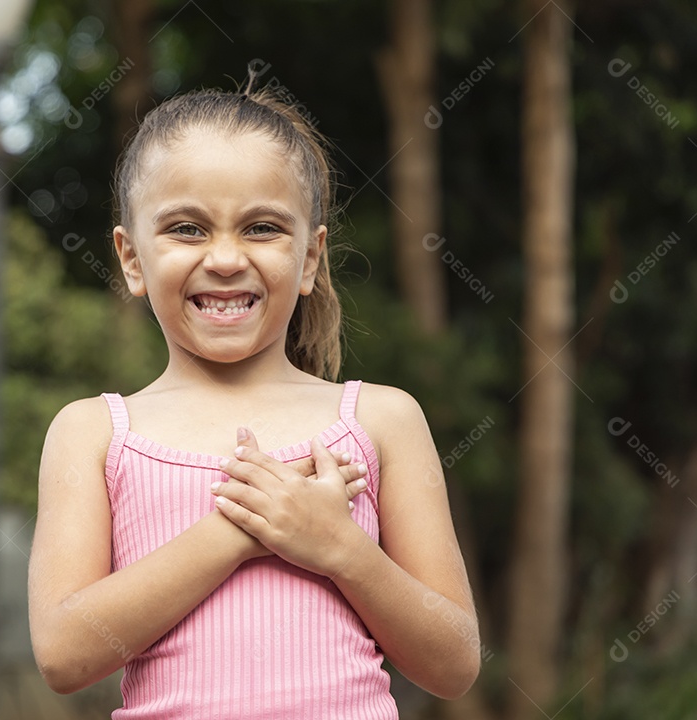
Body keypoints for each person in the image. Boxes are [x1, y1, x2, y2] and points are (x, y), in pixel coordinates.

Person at [28, 84, 480, 719]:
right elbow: (64, 654)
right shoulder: (94, 433)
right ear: (131, 258)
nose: (224, 258)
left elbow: (454, 663)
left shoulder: (380, 420)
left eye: (262, 228)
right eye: (187, 228)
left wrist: (338, 547)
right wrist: (242, 532)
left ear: (309, 259)